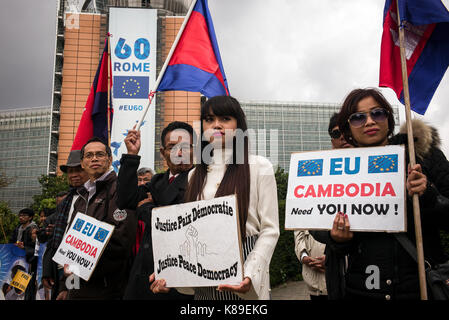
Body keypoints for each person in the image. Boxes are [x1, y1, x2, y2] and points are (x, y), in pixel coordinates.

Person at [314, 87, 449, 300]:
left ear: (388, 117)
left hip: (423, 288)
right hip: (361, 290)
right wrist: (337, 239)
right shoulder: (337, 171)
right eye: (358, 118)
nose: (369, 122)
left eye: (377, 113)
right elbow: (318, 224)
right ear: (348, 127)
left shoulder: (424, 156)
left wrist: (429, 195)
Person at [150, 95, 280, 300]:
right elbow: (187, 229)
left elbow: (270, 230)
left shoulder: (259, 167)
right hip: (202, 278)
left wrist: (250, 272)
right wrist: (169, 272)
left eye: (225, 118)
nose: (216, 125)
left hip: (243, 275)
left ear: (239, 125)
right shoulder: (194, 174)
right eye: (209, 119)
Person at [117, 121, 195, 300]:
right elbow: (126, 199)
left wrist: (147, 210)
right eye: (172, 147)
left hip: (178, 277)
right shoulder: (157, 181)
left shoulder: (201, 181)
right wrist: (131, 155)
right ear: (163, 153)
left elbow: (182, 223)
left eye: (186, 147)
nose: (180, 153)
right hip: (143, 273)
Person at [62, 137, 137, 300]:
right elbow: (70, 246)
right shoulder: (81, 196)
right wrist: (67, 288)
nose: (94, 158)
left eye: (99, 154)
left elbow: (122, 241)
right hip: (77, 290)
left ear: (110, 159)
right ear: (82, 163)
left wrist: (86, 260)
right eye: (89, 155)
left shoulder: (121, 189)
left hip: (107, 290)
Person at [40, 150, 88, 300]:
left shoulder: (94, 198)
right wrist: (47, 270)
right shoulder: (65, 202)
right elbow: (53, 240)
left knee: (73, 295)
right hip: (61, 267)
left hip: (81, 266)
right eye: (70, 171)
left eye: (78, 170)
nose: (74, 174)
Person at [9, 208, 38, 300]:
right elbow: (11, 241)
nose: (21, 218)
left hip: (30, 262)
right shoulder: (18, 228)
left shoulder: (34, 229)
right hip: (17, 260)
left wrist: (24, 248)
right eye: (20, 215)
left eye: (24, 216)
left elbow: (37, 247)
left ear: (30, 217)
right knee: (17, 286)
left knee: (28, 287)